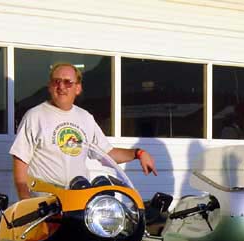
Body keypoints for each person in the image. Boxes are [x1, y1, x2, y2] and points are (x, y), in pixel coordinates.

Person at [10, 63, 157, 200]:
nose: (61, 86)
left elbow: (107, 154)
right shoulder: (35, 116)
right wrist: (25, 201)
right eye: (56, 81)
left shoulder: (85, 117)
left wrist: (138, 153)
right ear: (49, 86)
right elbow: (20, 162)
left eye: (68, 82)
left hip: (78, 198)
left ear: (78, 88)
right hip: (46, 201)